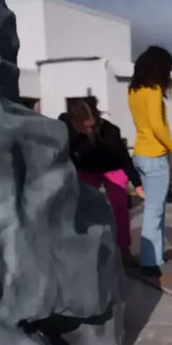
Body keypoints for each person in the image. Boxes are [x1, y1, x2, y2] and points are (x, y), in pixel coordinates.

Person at [61, 98, 144, 267]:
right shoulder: (66, 127)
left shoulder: (110, 132)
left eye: (93, 124)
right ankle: (86, 245)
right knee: (83, 204)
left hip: (112, 168)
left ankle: (123, 250)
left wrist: (138, 184)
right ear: (75, 122)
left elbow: (124, 159)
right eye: (85, 125)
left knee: (119, 206)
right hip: (86, 170)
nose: (90, 128)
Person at [128, 45, 172, 276]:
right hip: (155, 156)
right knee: (155, 210)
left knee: (154, 209)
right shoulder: (152, 91)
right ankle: (150, 261)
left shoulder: (133, 91)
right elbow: (158, 127)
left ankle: (155, 256)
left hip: (140, 154)